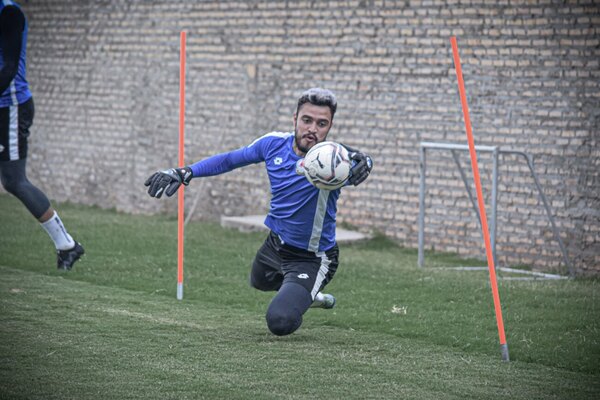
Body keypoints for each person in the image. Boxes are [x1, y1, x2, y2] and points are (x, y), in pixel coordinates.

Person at [145, 88, 372, 336]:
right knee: (259, 281)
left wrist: (365, 162)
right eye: (307, 120)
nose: (312, 129)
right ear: (294, 119)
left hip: (311, 257)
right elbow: (231, 159)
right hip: (275, 244)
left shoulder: (334, 163)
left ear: (329, 127)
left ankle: (306, 293)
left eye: (322, 123)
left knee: (280, 321)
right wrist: (184, 172)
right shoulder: (272, 144)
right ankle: (304, 293)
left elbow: (358, 160)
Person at [0, 1, 84, 270]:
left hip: (10, 107)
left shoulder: (9, 12)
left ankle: (67, 245)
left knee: (14, 180)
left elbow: (9, 68)